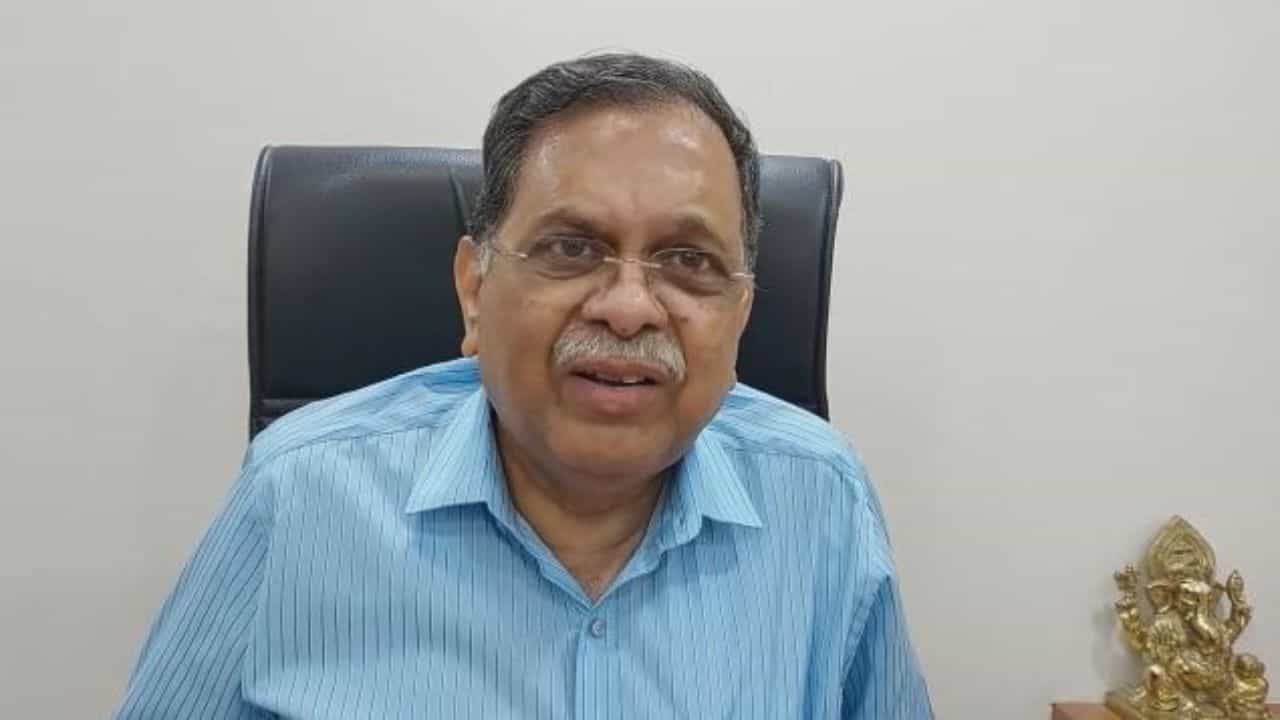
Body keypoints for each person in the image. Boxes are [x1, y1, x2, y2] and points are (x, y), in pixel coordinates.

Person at [116, 53, 932, 719]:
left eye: (689, 261)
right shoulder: (299, 494)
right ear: (474, 289)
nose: (628, 307)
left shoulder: (821, 498)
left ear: (740, 314)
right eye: (572, 248)